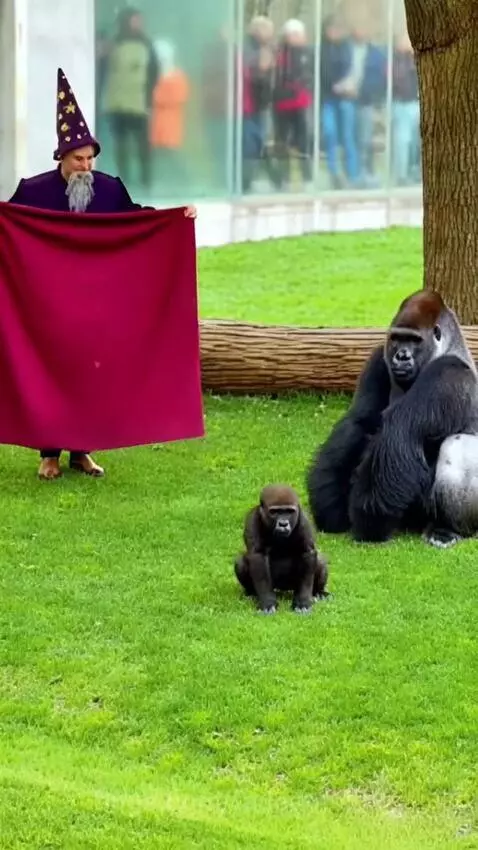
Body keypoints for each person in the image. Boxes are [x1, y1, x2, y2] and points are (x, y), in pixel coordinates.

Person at [8, 67, 197, 482]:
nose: (86, 165)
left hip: (98, 303)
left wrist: (176, 219)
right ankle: (49, 453)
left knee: (92, 371)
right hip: (47, 303)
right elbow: (12, 230)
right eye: (79, 158)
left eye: (91, 158)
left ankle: (82, 451)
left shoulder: (108, 189)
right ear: (62, 157)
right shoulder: (33, 191)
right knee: (51, 368)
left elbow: (136, 222)